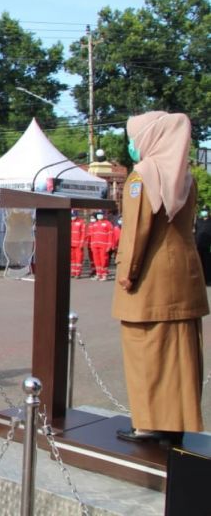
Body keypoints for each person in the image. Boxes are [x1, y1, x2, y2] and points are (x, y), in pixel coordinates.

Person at [113, 111, 208, 445]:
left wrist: (127, 274)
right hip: (185, 277)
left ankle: (148, 424)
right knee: (180, 353)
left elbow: (136, 233)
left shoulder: (142, 177)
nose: (132, 144)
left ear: (149, 138)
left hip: (150, 280)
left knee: (146, 349)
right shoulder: (186, 178)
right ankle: (175, 423)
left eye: (133, 137)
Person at [89, 211, 113, 281]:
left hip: (104, 245)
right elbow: (92, 235)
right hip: (95, 245)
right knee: (96, 260)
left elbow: (110, 235)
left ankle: (104, 274)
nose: (99, 216)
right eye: (98, 214)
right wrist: (92, 244)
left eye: (101, 214)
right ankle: (98, 274)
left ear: (104, 215)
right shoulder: (95, 224)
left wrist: (109, 245)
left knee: (104, 260)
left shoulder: (108, 224)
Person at [194, 207, 211, 285]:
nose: (204, 212)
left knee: (207, 263)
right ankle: (200, 280)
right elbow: (194, 231)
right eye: (203, 211)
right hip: (198, 244)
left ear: (208, 212)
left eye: (205, 211)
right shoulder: (198, 221)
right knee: (199, 263)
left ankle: (208, 280)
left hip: (207, 246)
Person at [70, 210, 87, 278]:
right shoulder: (69, 222)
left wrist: (81, 243)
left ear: (76, 215)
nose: (72, 217)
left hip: (78, 244)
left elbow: (83, 233)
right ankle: (73, 272)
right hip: (71, 244)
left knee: (78, 259)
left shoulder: (81, 222)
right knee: (72, 259)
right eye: (71, 216)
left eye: (73, 216)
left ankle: (78, 273)